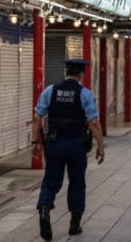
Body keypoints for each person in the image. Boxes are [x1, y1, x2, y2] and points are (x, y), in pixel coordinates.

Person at [31, 59, 106, 241]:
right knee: (77, 183)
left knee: (51, 181)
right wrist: (101, 146)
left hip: (55, 144)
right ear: (81, 75)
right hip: (76, 145)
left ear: (66, 73)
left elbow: (36, 117)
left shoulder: (50, 91)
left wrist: (35, 143)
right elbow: (94, 122)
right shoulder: (84, 94)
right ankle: (74, 224)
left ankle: (44, 208)